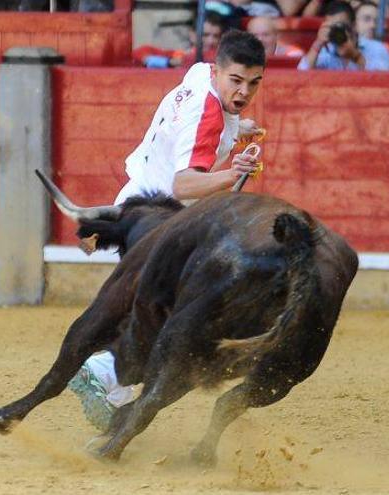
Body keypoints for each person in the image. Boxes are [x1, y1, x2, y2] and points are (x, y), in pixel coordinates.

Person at [69, 30, 268, 431]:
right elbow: (184, 184)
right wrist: (235, 172)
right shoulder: (208, 117)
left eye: (253, 83)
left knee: (154, 308)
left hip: (139, 205)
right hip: (159, 219)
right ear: (218, 71)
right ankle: (104, 370)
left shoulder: (198, 76)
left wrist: (238, 125)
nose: (244, 91)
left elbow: (202, 121)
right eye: (236, 81)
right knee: (176, 316)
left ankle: (114, 386)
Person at [297, 0, 389, 71]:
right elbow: (301, 74)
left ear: (354, 26)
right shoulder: (327, 50)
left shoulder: (376, 48)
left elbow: (383, 77)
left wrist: (356, 57)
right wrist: (317, 44)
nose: (337, 30)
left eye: (340, 25)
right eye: (332, 27)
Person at [133, 12, 227, 68]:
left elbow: (207, 59)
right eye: (205, 35)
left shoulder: (220, 57)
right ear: (192, 35)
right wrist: (168, 62)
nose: (211, 41)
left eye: (216, 36)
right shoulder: (181, 55)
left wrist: (174, 62)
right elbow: (139, 52)